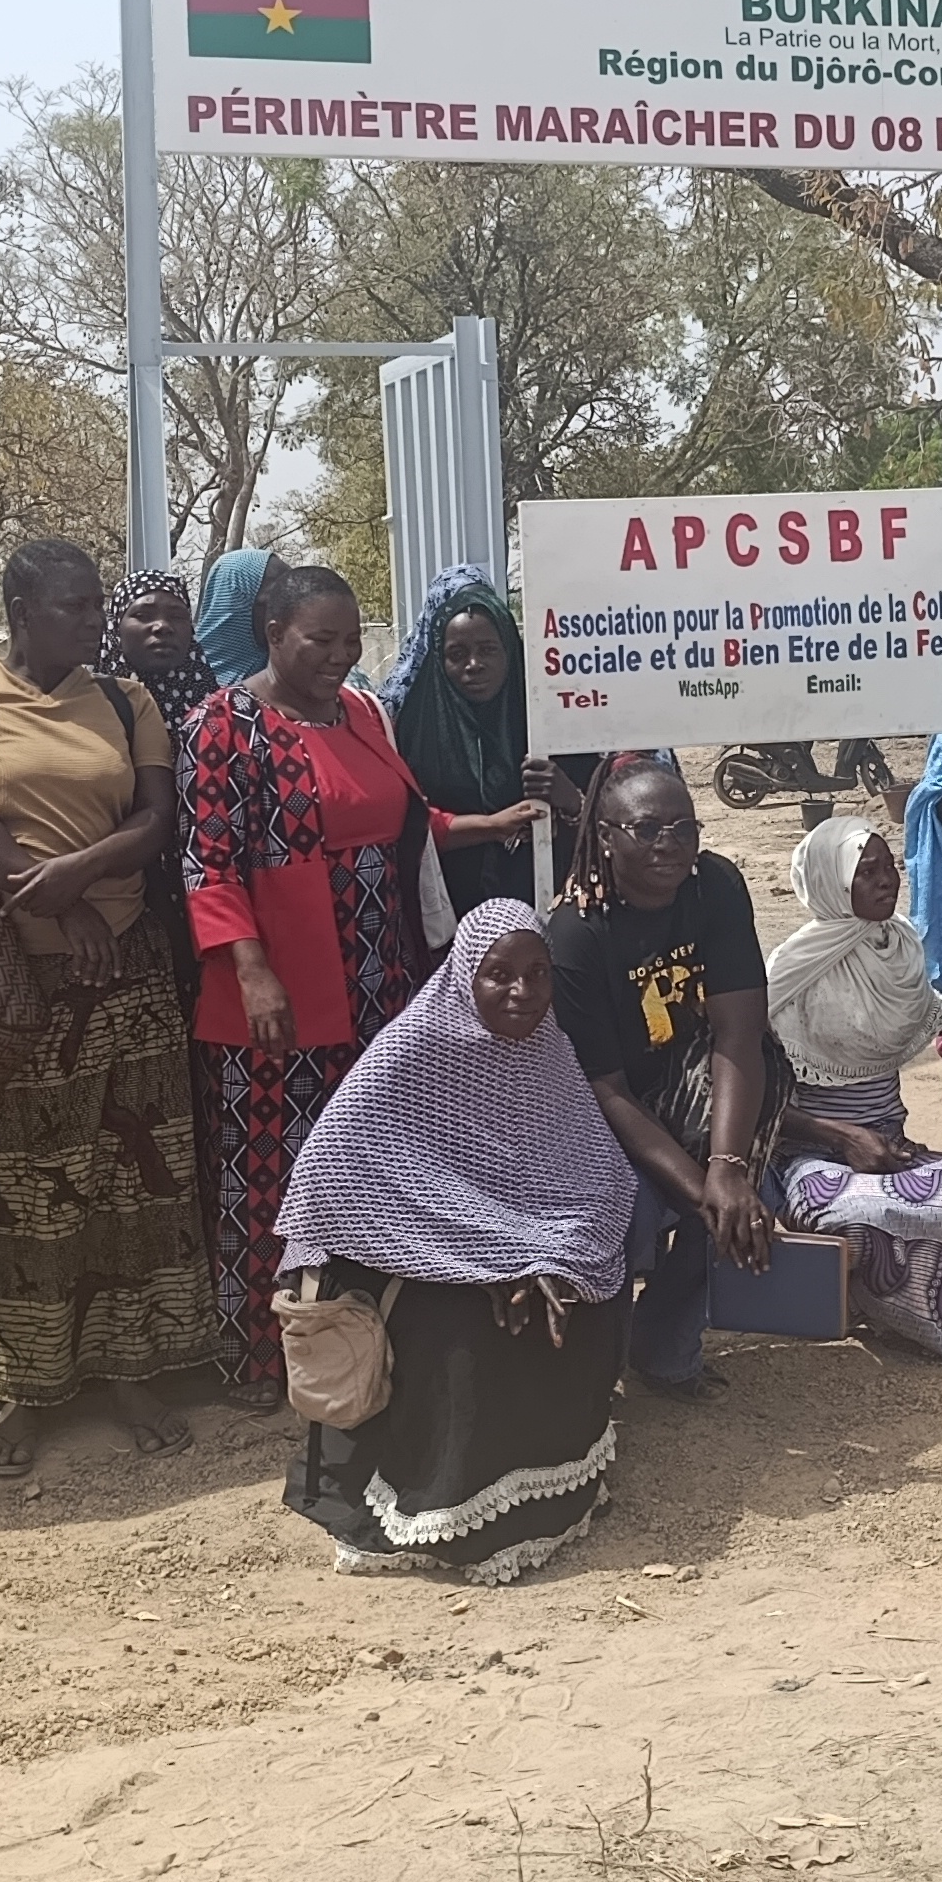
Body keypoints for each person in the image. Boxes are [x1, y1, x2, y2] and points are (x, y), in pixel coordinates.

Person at [0, 538, 216, 1471]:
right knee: (22, 1190)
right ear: (19, 606)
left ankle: (131, 1370)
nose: (93, 622)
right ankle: (26, 1391)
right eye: (75, 607)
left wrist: (84, 876)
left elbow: (157, 819)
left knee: (138, 1184)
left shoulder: (128, 700)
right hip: (16, 981)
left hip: (129, 974)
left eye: (95, 607)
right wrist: (62, 903)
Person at [277, 904, 638, 1580]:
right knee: (468, 1335)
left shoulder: (551, 1055)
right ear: (463, 977)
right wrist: (480, 1262)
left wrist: (550, 1261)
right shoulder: (411, 1053)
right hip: (418, 1265)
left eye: (537, 975)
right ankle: (439, 1509)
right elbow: (328, 1175)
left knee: (576, 1303)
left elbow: (599, 1180)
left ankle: (550, 1495)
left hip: (529, 1249)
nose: (521, 993)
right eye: (498, 975)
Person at [182, 562, 433, 1397]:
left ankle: (364, 1337)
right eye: (320, 639)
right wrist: (250, 971)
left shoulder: (362, 713)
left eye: (352, 640)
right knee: (272, 1168)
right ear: (273, 633)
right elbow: (206, 863)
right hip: (282, 987)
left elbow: (402, 824)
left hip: (380, 977)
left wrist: (490, 824)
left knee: (369, 1159)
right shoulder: (223, 725)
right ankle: (262, 1351)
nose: (339, 655)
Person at [546, 756, 777, 1398]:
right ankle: (590, 1372)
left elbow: (739, 1033)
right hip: (601, 1116)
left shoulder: (717, 887)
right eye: (647, 830)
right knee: (628, 1222)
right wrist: (706, 1190)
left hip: (692, 1092)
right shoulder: (575, 934)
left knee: (752, 1202)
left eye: (683, 827)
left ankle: (665, 1350)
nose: (668, 845)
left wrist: (728, 1169)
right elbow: (606, 1089)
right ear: (605, 837)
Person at [759, 815, 942, 1358]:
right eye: (866, 872)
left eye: (890, 867)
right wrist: (842, 1138)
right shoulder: (791, 971)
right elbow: (749, 1096)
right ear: (831, 882)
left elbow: (923, 1010)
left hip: (891, 1146)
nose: (887, 880)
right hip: (810, 1154)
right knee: (860, 1218)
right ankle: (888, 1313)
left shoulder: (898, 944)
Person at [382, 565, 576, 919]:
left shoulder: (553, 721)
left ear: (510, 650)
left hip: (544, 906)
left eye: (488, 649)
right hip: (446, 915)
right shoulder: (410, 728)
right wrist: (490, 828)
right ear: (438, 660)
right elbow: (402, 826)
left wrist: (568, 798)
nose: (474, 665)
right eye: (457, 654)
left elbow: (603, 816)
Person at [111, 569, 226, 730]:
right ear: (116, 627)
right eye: (143, 615)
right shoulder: (90, 707)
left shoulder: (221, 717)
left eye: (177, 616)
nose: (163, 626)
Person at [196, 547, 276, 692]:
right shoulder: (183, 685)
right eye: (278, 598)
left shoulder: (296, 686)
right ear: (236, 605)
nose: (293, 609)